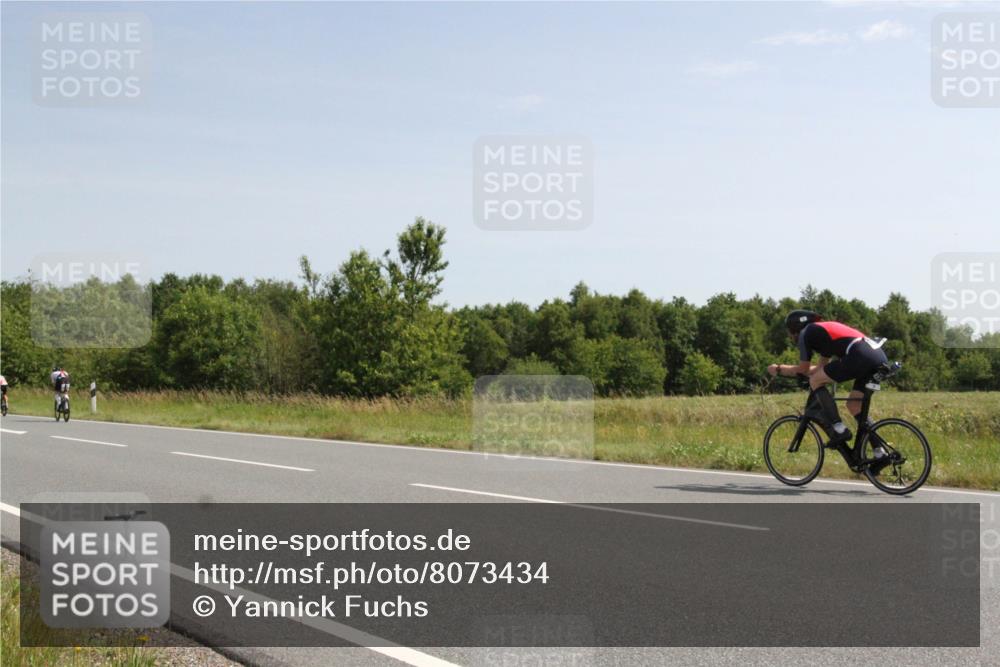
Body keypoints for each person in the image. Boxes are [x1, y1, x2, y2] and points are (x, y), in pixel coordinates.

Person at [768, 310, 888, 469]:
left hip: (859, 355)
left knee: (815, 381)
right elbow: (820, 369)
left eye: (790, 333)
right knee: (854, 406)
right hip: (876, 356)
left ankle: (838, 428)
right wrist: (801, 373)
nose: (791, 337)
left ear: (795, 328)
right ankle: (881, 453)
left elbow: (803, 369)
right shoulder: (821, 334)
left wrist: (778, 369)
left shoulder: (806, 333)